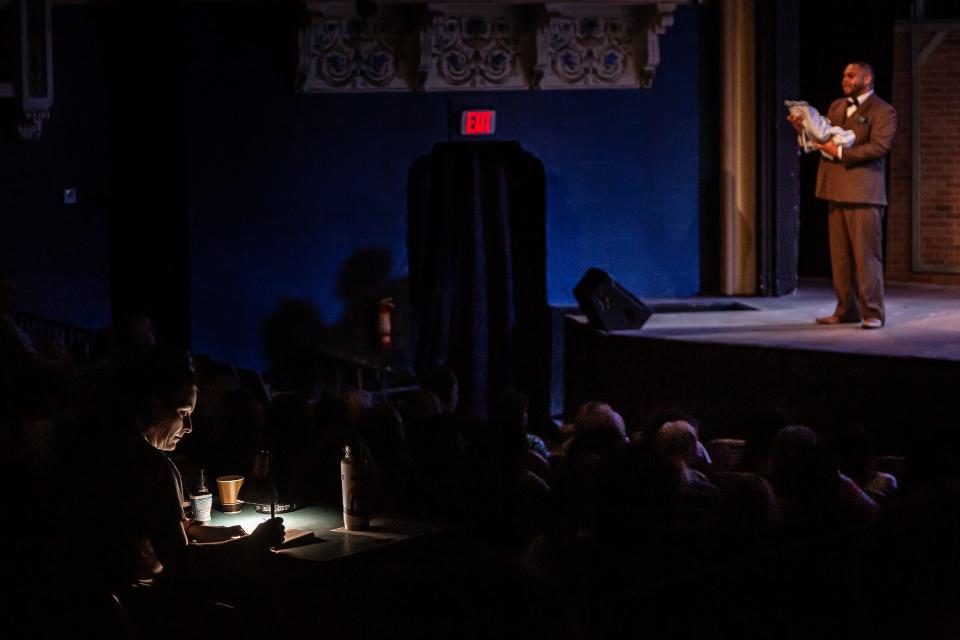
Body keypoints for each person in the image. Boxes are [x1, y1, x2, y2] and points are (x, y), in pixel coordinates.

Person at [788, 62, 897, 329]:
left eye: (851, 75)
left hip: (863, 192)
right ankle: (846, 309)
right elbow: (822, 138)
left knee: (866, 256)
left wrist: (839, 153)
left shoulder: (883, 110)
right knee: (840, 257)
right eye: (843, 75)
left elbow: (879, 147)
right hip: (834, 188)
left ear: (867, 78)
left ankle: (872, 312)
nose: (845, 79)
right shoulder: (837, 106)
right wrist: (802, 129)